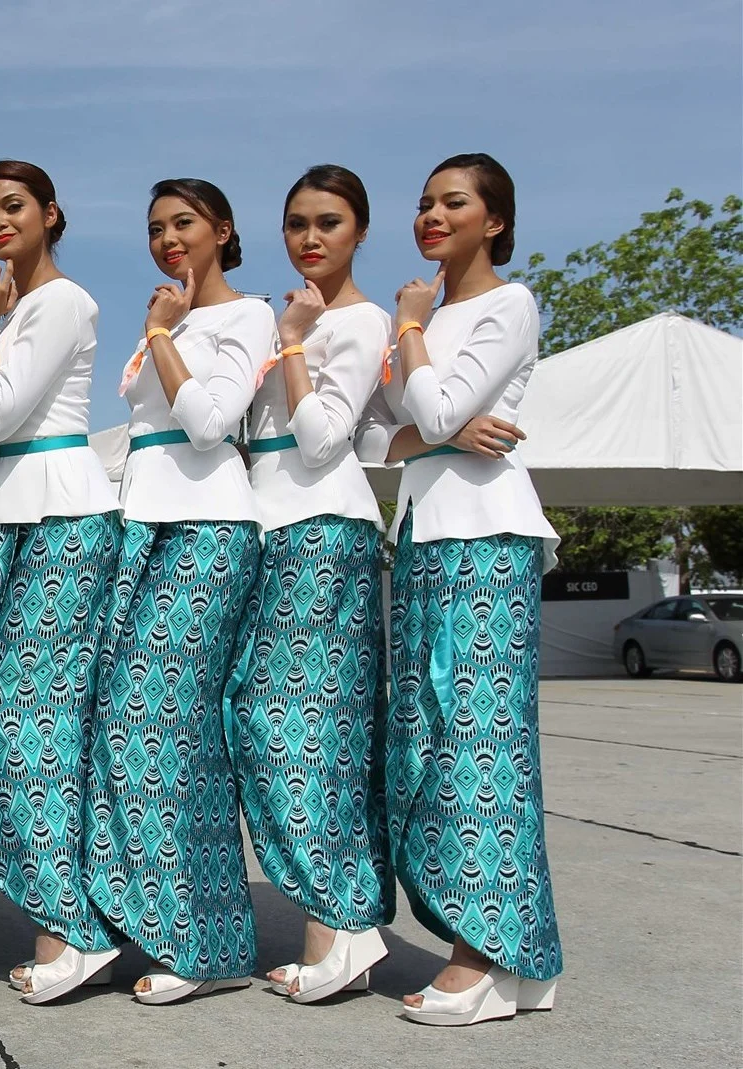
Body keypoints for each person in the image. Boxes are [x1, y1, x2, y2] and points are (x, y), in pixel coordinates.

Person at [357, 152, 562, 1027]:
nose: (432, 216)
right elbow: (369, 438)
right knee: (431, 745)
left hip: (488, 536)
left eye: (454, 203)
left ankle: (484, 954)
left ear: (496, 221)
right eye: (425, 203)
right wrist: (428, 427)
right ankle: (520, 956)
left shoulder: (504, 306)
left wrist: (409, 337)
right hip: (427, 536)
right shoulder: (428, 321)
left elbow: (430, 415)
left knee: (483, 747)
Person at [0, 159, 123, 1006]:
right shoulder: (18, 308)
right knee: (8, 720)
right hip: (20, 516)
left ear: (52, 214)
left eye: (12, 208)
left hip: (63, 511)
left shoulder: (63, 301)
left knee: (38, 723)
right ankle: (63, 924)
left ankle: (73, 931)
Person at [94, 178, 267, 1005]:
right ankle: (187, 926)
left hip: (206, 525)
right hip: (143, 521)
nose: (167, 239)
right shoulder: (175, 321)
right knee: (141, 728)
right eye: (157, 226)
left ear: (223, 231)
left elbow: (209, 421)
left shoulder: (245, 316)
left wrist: (162, 334)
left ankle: (198, 939)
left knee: (163, 725)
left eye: (184, 224)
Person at [226, 165, 394, 1004]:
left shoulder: (358, 319)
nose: (309, 237)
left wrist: (293, 342)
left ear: (360, 230)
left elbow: (326, 437)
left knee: (303, 729)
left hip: (323, 523)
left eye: (328, 221)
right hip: (271, 524)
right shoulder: (287, 317)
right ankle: (337, 922)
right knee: (275, 724)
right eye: (297, 222)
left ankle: (342, 926)